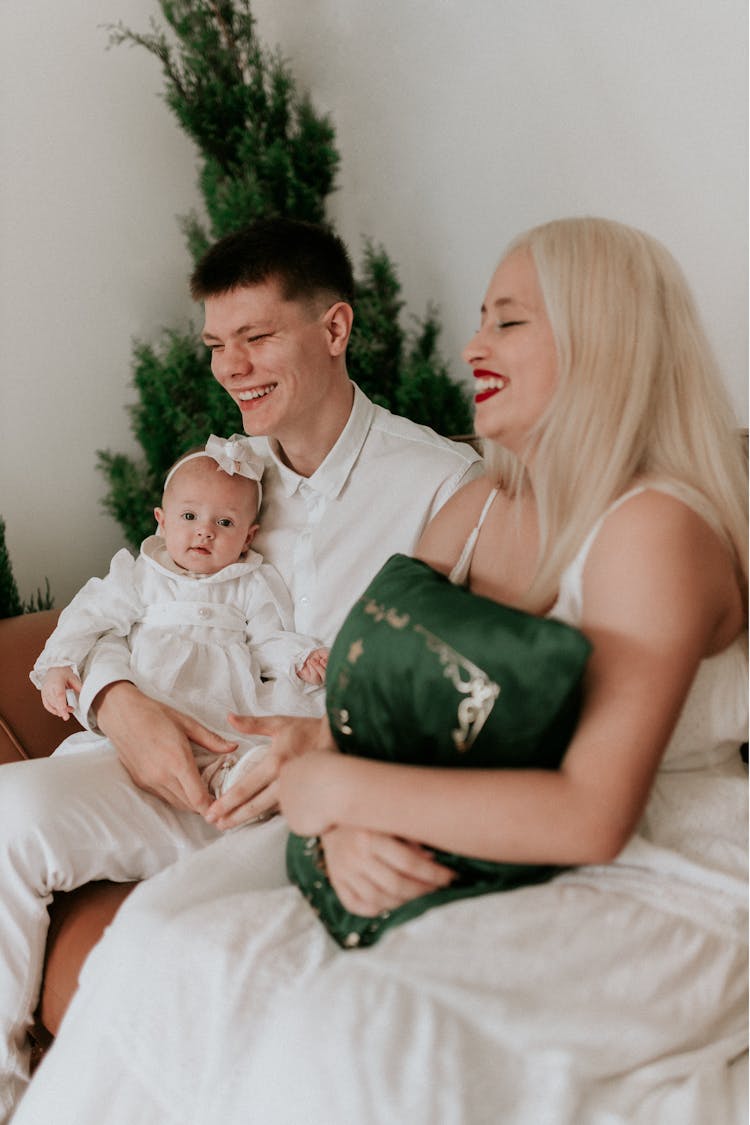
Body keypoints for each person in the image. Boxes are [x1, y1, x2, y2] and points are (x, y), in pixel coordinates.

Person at [15, 216, 747, 1125]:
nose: (473, 343)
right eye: (482, 317)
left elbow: (592, 809)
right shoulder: (476, 504)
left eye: (509, 322)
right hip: (428, 809)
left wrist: (345, 789)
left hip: (653, 869)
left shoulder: (649, 528)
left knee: (351, 1025)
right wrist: (337, 801)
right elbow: (384, 702)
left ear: (606, 337)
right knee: (160, 940)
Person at [0, 217, 482, 1120]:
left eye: (257, 337)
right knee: (6, 812)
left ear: (334, 329)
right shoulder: (222, 475)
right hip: (175, 765)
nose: (231, 367)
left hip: (301, 799)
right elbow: (133, 596)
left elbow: (458, 687)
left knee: (191, 959)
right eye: (218, 343)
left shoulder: (440, 487)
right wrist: (115, 701)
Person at [32, 437, 329, 796]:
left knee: (238, 741)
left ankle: (233, 776)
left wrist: (300, 658)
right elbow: (91, 613)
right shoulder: (142, 574)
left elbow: (266, 642)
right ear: (162, 521)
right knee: (89, 767)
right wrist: (61, 663)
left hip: (224, 700)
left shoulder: (251, 582)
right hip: (153, 698)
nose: (205, 530)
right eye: (189, 516)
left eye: (225, 522)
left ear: (248, 537)